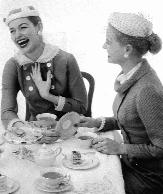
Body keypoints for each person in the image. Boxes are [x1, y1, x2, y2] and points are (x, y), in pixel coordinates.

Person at [76, 12, 163, 194]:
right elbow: (131, 121)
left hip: (147, 178)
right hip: (132, 166)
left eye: (108, 41)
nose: (103, 46)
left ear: (127, 50)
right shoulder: (131, 77)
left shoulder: (147, 89)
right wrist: (97, 122)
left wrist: (120, 147)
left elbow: (161, 147)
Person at [1, 5, 87, 143]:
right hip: (34, 134)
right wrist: (25, 129)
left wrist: (48, 96)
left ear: (38, 27)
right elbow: (6, 111)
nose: (17, 35)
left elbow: (81, 107)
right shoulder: (13, 65)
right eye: (12, 31)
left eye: (23, 27)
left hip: (69, 132)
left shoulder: (66, 59)